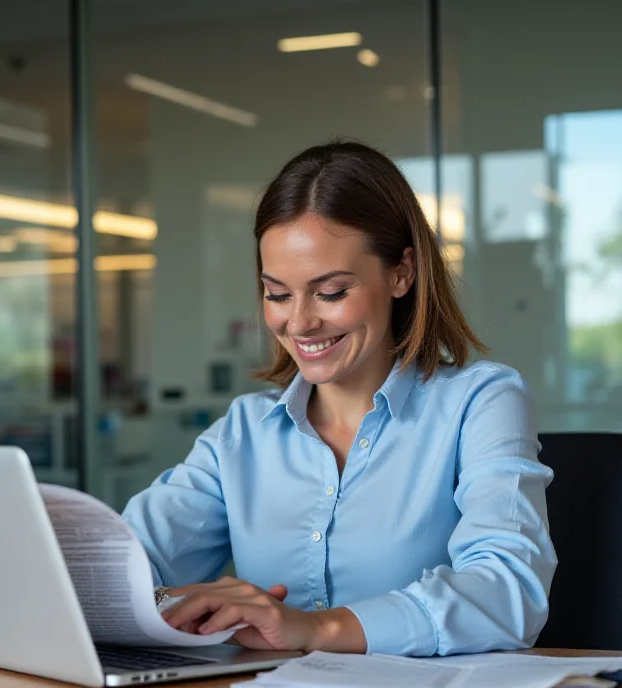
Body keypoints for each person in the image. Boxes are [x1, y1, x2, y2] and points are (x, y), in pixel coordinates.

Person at [122, 140, 556, 656]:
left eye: (330, 292)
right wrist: (172, 597)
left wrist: (317, 629)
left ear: (402, 272)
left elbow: (508, 592)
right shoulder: (243, 434)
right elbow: (111, 570)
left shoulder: (479, 401)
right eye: (277, 294)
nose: (299, 322)